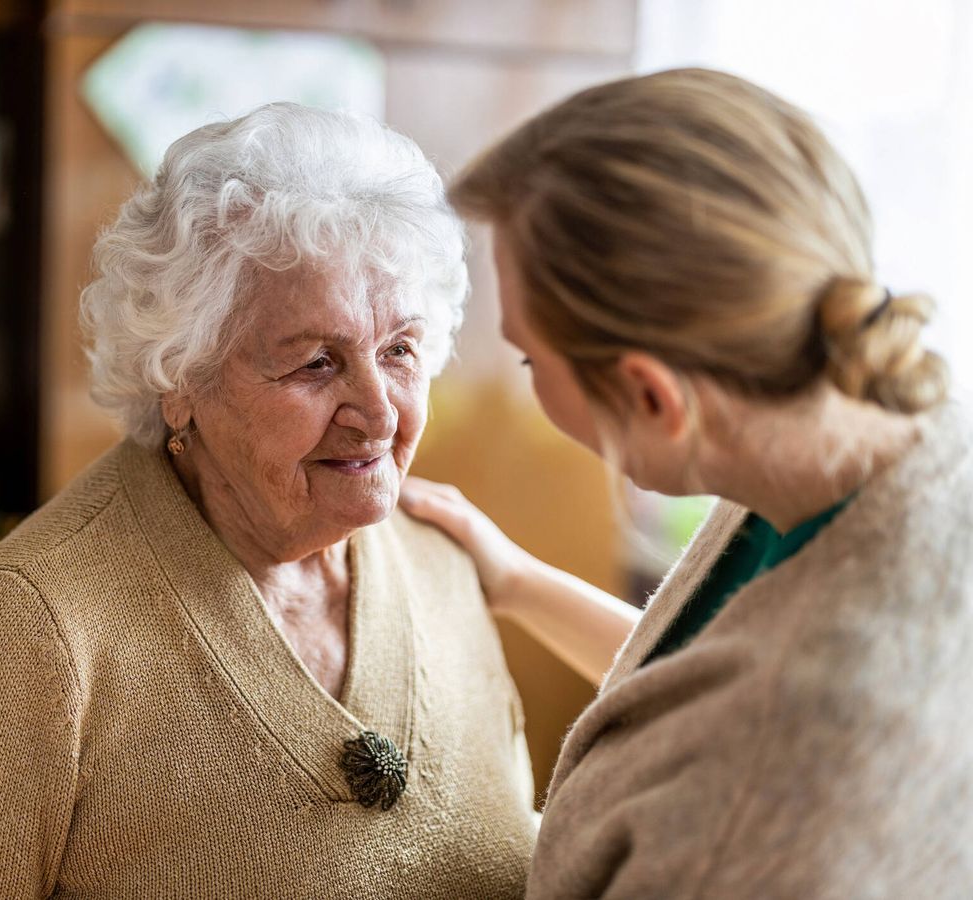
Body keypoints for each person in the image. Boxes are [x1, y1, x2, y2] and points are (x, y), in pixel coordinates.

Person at [0, 103, 536, 898]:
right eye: (317, 363)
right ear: (179, 380)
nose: (380, 413)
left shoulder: (445, 566)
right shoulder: (33, 631)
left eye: (400, 351)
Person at [401, 68, 973, 898]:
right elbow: (703, 684)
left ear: (650, 395)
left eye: (529, 357)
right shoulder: (859, 430)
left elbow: (745, 736)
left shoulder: (774, 795)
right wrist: (516, 581)